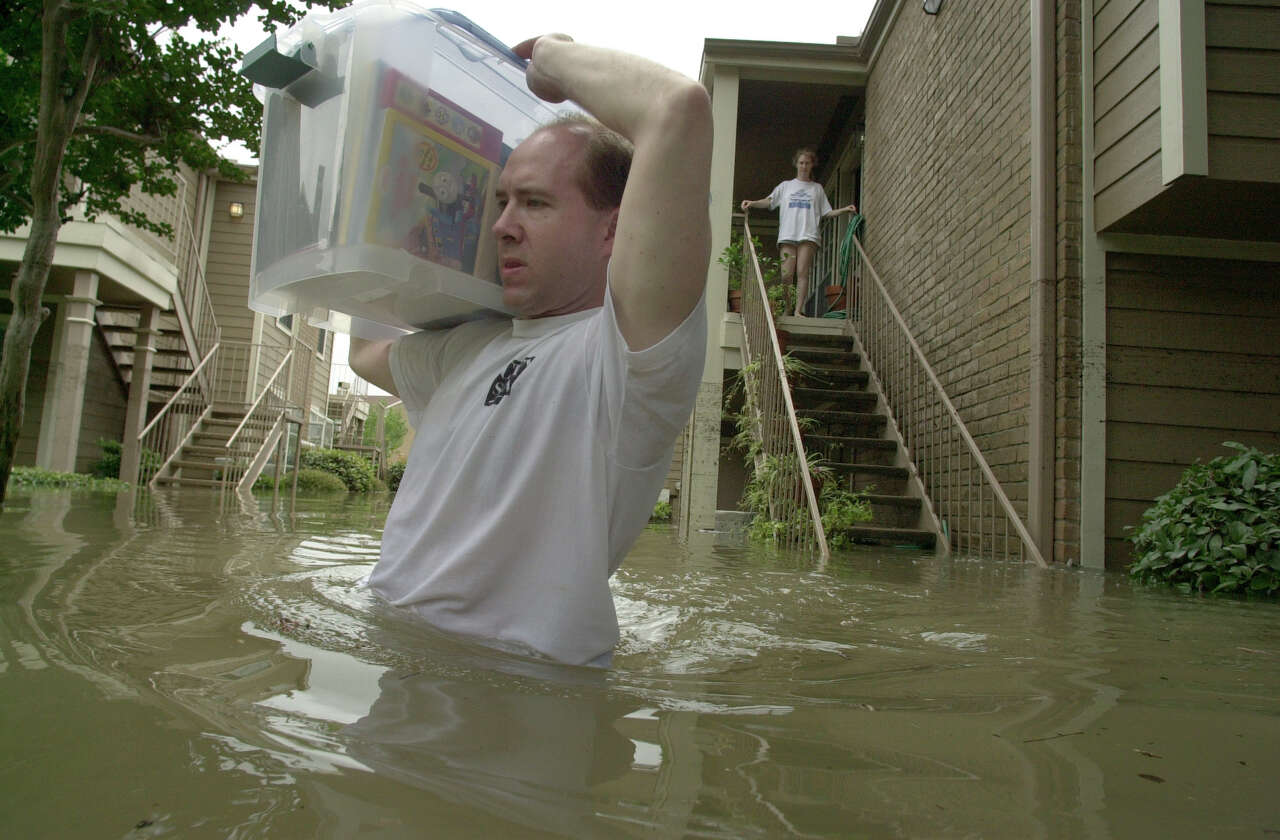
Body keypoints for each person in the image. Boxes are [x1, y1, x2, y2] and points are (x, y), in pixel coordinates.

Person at [349, 34, 712, 668]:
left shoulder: (629, 359)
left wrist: (552, 62)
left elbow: (677, 109)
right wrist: (373, 219)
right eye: (502, 201)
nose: (502, 225)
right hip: (390, 669)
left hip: (522, 714)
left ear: (614, 231)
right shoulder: (464, 350)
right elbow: (365, 351)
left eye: (536, 203)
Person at [739, 147, 857, 316]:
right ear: (796, 164)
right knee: (786, 275)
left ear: (811, 165)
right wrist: (752, 203)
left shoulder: (816, 189)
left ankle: (798, 310)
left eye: (807, 163)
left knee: (802, 273)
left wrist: (845, 209)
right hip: (788, 234)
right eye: (801, 163)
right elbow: (769, 201)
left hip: (808, 235)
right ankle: (787, 307)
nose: (803, 166)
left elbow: (827, 212)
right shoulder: (786, 186)